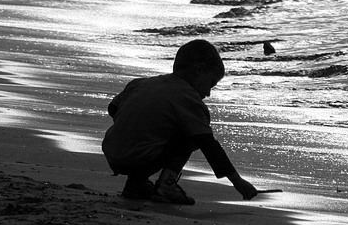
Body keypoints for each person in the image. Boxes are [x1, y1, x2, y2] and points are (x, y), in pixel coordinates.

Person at [102, 39, 258, 204]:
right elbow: (208, 145)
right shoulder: (188, 97)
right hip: (138, 159)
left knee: (165, 131)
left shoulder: (141, 83)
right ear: (199, 70)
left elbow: (113, 109)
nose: (209, 93)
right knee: (191, 135)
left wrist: (140, 126)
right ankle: (166, 186)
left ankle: (136, 184)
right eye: (211, 83)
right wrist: (237, 182)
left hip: (113, 153)